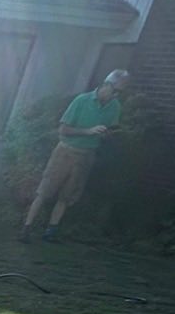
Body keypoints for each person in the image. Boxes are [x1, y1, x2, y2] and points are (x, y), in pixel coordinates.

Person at [20, 69, 129, 242]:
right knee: (45, 191)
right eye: (115, 91)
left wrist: (106, 134)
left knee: (67, 195)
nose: (115, 96)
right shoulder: (82, 100)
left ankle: (51, 232)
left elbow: (111, 131)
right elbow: (63, 129)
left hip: (87, 155)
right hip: (65, 151)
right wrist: (88, 131)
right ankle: (26, 228)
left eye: (120, 93)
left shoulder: (114, 107)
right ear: (106, 85)